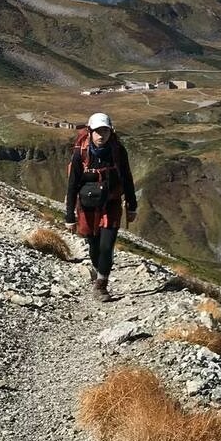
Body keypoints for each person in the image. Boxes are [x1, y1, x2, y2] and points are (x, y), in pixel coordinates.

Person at [64, 112, 137, 302]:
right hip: (87, 205)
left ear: (111, 132)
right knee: (94, 245)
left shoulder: (118, 151)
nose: (101, 135)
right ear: (90, 131)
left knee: (106, 246)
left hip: (111, 203)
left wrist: (132, 206)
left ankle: (101, 285)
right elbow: (72, 185)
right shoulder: (81, 153)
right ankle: (98, 271)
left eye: (105, 131)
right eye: (97, 131)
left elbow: (127, 178)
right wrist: (69, 216)